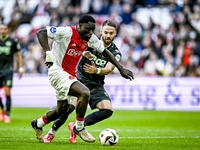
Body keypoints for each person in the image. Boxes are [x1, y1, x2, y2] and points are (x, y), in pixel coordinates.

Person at [31, 14, 133, 143]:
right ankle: (79, 127)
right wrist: (48, 52)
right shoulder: (67, 32)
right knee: (84, 93)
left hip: (72, 75)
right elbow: (41, 33)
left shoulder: (91, 38)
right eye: (87, 29)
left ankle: (38, 123)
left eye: (92, 30)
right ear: (79, 26)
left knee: (63, 109)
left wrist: (121, 68)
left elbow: (105, 52)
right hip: (58, 72)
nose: (90, 33)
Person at [0, 24, 23, 123]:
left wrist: (20, 68)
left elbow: (18, 55)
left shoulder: (13, 41)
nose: (3, 31)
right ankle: (3, 109)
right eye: (1, 29)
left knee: (8, 92)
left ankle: (7, 115)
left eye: (5, 29)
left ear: (8, 30)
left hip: (8, 70)